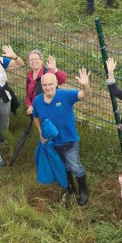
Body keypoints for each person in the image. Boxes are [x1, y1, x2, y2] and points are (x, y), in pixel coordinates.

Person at [32, 68, 92, 206]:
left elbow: (85, 94)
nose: (47, 87)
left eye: (50, 84)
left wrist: (85, 85)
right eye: (45, 85)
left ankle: (83, 190)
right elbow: (35, 116)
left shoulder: (65, 95)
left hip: (69, 140)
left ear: (56, 83)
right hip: (52, 143)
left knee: (75, 166)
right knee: (64, 166)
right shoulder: (37, 101)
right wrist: (40, 132)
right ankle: (70, 187)